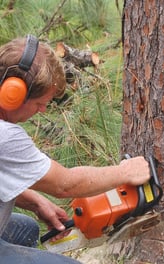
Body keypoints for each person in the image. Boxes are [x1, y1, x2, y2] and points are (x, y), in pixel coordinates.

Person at [0, 35, 151, 263]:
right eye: (40, 103)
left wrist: (36, 202)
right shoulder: (6, 136)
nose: (42, 111)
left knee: (27, 229)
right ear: (13, 94)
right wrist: (126, 172)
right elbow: (65, 184)